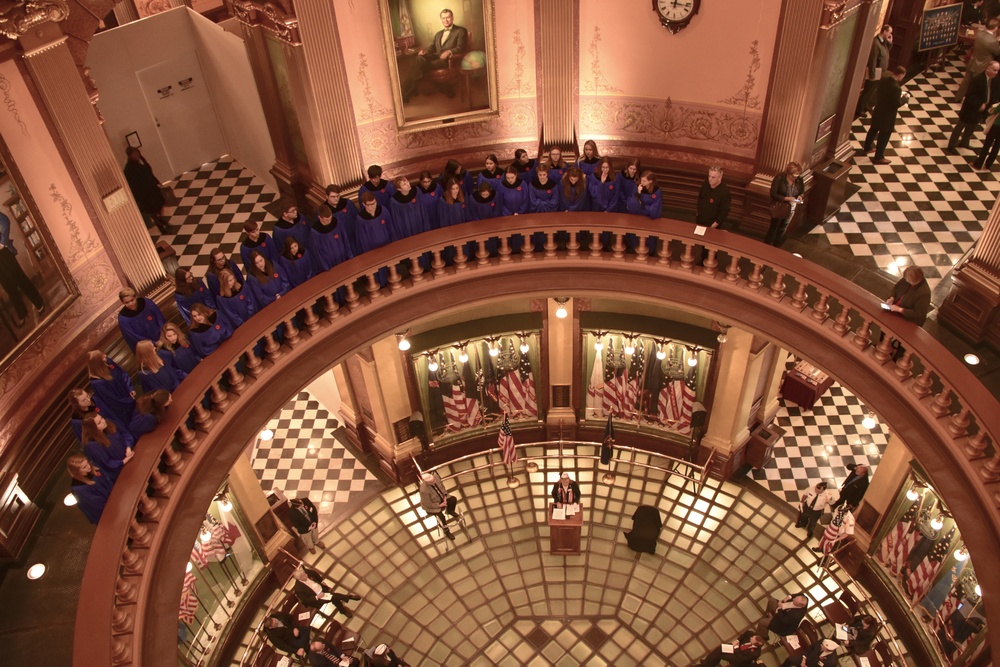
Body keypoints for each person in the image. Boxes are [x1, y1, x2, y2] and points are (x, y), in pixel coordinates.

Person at [404, 8, 468, 101]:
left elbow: (461, 47)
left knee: (419, 65)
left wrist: (449, 52)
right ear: (441, 20)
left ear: (452, 18)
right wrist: (425, 52)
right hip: (436, 58)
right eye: (443, 18)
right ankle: (412, 87)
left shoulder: (461, 31)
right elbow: (432, 48)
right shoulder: (438, 34)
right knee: (419, 58)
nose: (446, 20)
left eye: (448, 17)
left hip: (448, 60)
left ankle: (410, 89)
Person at [0, 211, 44, 327]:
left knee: (20, 279)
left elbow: (4, 220)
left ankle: (39, 304)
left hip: (3, 253)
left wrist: (3, 242)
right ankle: (22, 314)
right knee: (9, 287)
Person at [949, 60, 1000, 153]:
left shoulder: (995, 80)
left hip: (983, 110)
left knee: (972, 126)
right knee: (960, 126)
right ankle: (951, 145)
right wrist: (980, 104)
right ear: (988, 68)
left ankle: (964, 142)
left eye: (997, 71)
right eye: (994, 70)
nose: (996, 73)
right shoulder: (978, 79)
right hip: (970, 108)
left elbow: (995, 93)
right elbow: (970, 95)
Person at [863, 66, 911, 165]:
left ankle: (867, 147)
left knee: (873, 129)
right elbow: (896, 104)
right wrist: (904, 99)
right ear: (900, 75)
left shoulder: (883, 80)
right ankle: (879, 157)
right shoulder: (896, 88)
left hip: (878, 110)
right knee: (884, 135)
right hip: (887, 115)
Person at [122, 146, 168, 232]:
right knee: (151, 209)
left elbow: (149, 172)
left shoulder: (142, 160)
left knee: (160, 204)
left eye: (137, 153)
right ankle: (159, 224)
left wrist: (157, 182)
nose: (137, 155)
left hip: (152, 188)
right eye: (134, 154)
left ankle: (160, 218)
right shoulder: (129, 169)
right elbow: (133, 185)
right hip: (144, 193)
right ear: (130, 156)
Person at [81, 413, 134, 483]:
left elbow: (124, 434)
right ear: (93, 429)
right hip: (121, 471)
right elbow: (107, 463)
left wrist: (128, 447)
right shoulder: (92, 445)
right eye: (99, 423)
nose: (103, 421)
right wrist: (123, 461)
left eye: (102, 418)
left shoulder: (108, 424)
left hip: (131, 456)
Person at [86, 350, 136, 427]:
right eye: (102, 357)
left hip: (129, 397)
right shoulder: (97, 383)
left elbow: (122, 374)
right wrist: (129, 400)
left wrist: (130, 388)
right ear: (98, 363)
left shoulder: (108, 362)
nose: (105, 356)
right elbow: (112, 400)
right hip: (123, 410)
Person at [291, 566, 360, 618]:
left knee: (334, 598)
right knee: (334, 597)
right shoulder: (298, 588)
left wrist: (321, 581)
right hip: (318, 598)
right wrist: (317, 597)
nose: (307, 575)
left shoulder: (306, 572)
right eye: (304, 576)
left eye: (305, 574)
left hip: (323, 590)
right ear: (299, 579)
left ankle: (343, 609)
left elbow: (315, 574)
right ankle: (349, 598)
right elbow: (305, 601)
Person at [957, 19, 1000, 101]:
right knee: (978, 85)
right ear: (995, 28)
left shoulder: (979, 34)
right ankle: (973, 101)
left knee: (966, 82)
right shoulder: (993, 41)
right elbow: (997, 52)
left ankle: (958, 98)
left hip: (973, 61)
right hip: (983, 65)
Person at [67, 453, 115, 525]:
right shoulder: (79, 489)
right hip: (106, 511)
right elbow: (97, 503)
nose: (88, 467)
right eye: (84, 467)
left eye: (87, 463)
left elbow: (107, 480)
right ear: (76, 471)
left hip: (114, 498)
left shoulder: (93, 468)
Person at [765, 162, 805, 247]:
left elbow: (802, 191)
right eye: (794, 175)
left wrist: (800, 196)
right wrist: (786, 198)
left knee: (783, 228)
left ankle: (777, 247)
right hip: (780, 206)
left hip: (792, 206)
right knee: (774, 227)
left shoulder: (799, 179)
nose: (795, 177)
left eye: (797, 175)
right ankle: (767, 246)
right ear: (788, 173)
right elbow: (773, 194)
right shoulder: (779, 178)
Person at [856, 25, 892, 117]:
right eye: (889, 32)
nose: (890, 34)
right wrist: (872, 75)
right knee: (868, 91)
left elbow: (886, 52)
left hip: (880, 71)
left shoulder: (883, 42)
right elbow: (873, 60)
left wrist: (890, 43)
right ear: (884, 31)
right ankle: (859, 109)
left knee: (872, 91)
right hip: (875, 72)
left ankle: (866, 105)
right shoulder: (875, 43)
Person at [117, 287, 166, 352]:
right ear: (123, 303)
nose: (130, 304)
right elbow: (133, 336)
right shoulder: (123, 318)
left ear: (136, 297)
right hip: (149, 348)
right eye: (127, 302)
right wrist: (154, 343)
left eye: (132, 300)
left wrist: (162, 336)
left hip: (163, 337)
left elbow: (159, 318)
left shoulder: (147, 303)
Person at [311, 204, 355, 273]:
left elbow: (345, 238)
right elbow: (318, 250)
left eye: (330, 218)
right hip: (329, 261)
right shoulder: (315, 231)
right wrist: (325, 266)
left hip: (343, 256)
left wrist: (349, 255)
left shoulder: (336, 222)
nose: (329, 221)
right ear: (319, 217)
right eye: (326, 220)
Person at [419, 471, 460, 540]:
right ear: (426, 482)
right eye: (431, 482)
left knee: (453, 499)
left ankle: (449, 511)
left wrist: (444, 497)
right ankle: (446, 531)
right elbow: (428, 504)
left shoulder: (436, 477)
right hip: (433, 505)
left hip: (442, 498)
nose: (433, 482)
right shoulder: (423, 490)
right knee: (442, 517)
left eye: (433, 480)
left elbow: (442, 487)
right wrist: (440, 505)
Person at [323, 185, 360, 255]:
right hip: (338, 244)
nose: (336, 199)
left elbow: (357, 218)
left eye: (337, 196)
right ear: (327, 196)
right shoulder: (323, 211)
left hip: (353, 239)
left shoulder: (347, 203)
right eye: (333, 197)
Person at [697, 630, 765, 667]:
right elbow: (746, 633)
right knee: (720, 648)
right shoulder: (751, 635)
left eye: (752, 639)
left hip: (738, 658)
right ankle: (706, 664)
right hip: (736, 648)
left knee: (720, 654)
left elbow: (742, 659)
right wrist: (737, 640)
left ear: (755, 644)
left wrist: (736, 647)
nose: (751, 637)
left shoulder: (755, 653)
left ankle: (706, 665)